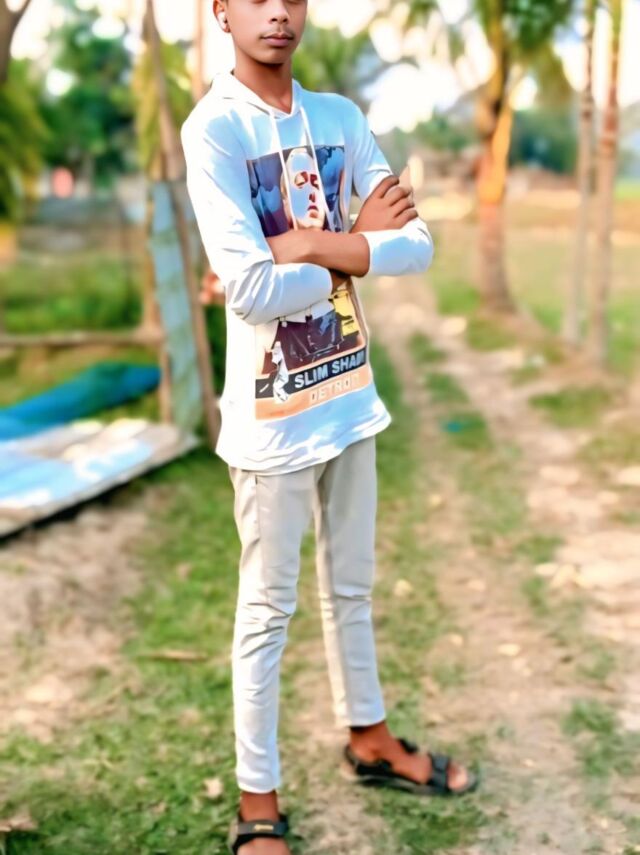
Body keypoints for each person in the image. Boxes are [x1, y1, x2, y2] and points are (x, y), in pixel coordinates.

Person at [181, 2, 478, 852]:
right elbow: (249, 291)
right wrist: (350, 242)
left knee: (353, 588)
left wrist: (304, 245)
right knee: (266, 611)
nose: (278, 11)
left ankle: (370, 736)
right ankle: (258, 801)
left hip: (348, 395)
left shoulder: (340, 119)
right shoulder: (214, 132)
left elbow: (416, 245)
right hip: (271, 421)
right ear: (221, 10)